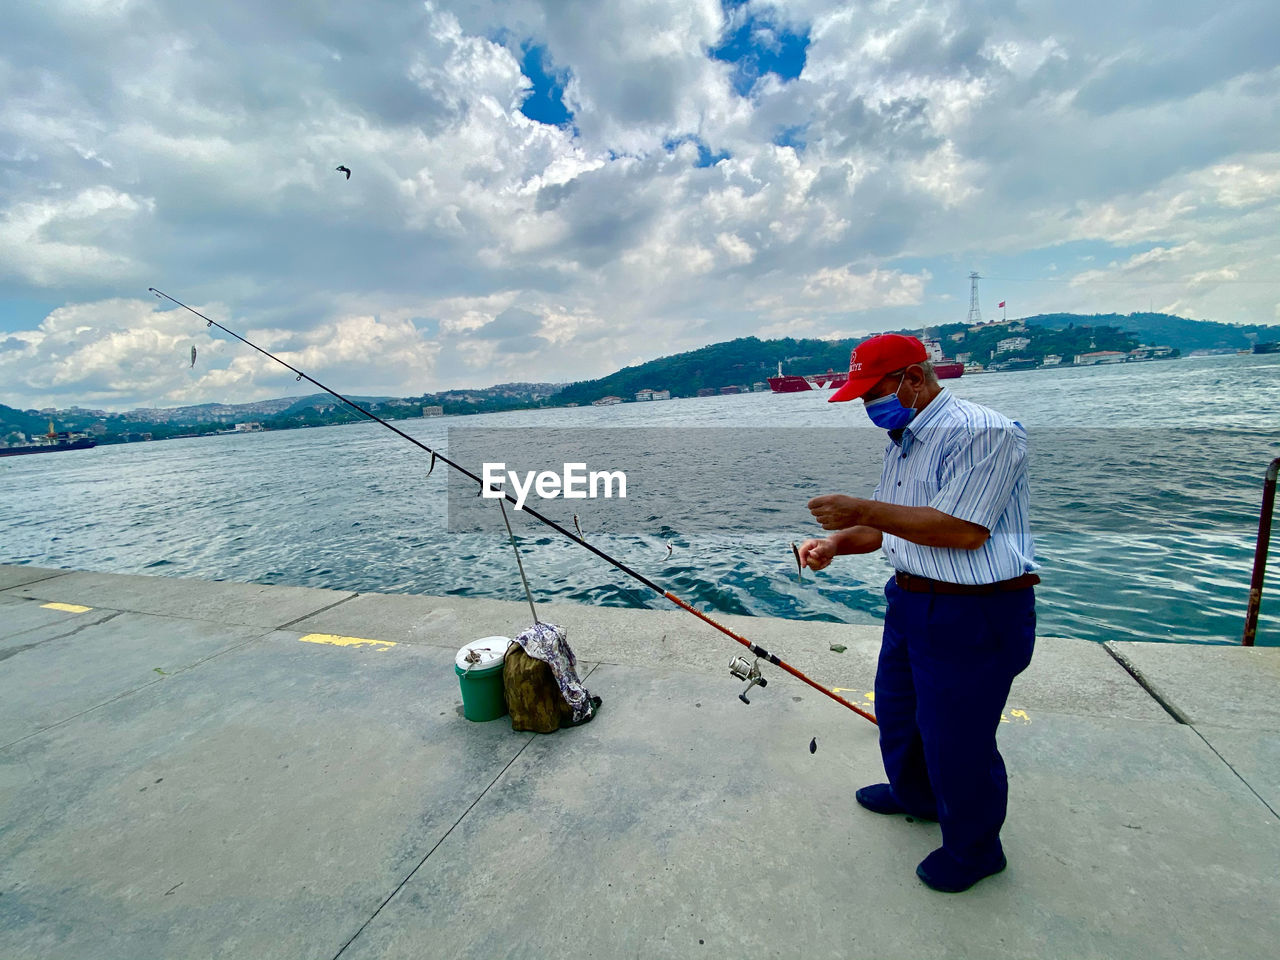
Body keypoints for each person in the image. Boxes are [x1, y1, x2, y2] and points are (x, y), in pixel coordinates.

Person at [797, 333, 1038, 893]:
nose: (866, 407)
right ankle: (917, 797)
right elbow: (888, 527)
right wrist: (836, 542)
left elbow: (963, 529)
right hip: (910, 601)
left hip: (975, 610)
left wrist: (859, 506)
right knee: (901, 716)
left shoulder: (985, 432)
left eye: (871, 393)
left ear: (912, 378)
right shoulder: (904, 438)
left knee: (959, 740)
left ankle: (976, 850)